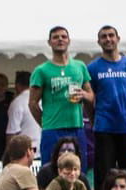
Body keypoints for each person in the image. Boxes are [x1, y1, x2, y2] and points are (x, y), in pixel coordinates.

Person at [30, 27, 93, 172]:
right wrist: (45, 123)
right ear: (49, 42)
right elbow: (32, 103)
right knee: (52, 171)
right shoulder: (42, 70)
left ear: (69, 41)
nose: (60, 39)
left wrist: (83, 94)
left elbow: (91, 96)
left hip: (76, 127)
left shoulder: (80, 66)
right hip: (52, 130)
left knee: (78, 172)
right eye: (56, 37)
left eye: (64, 37)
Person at [90, 26, 126, 184]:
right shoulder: (92, 68)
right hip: (104, 129)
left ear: (118, 38)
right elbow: (89, 97)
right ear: (98, 42)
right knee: (104, 175)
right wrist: (94, 119)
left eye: (111, 35)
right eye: (103, 36)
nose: (108, 39)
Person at [7, 70, 42, 147]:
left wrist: (7, 156)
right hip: (42, 148)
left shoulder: (17, 103)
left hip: (24, 152)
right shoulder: (42, 100)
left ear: (18, 85)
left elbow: (12, 133)